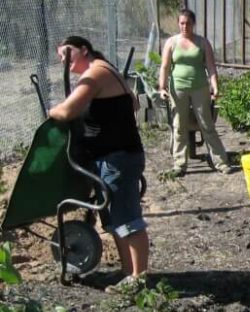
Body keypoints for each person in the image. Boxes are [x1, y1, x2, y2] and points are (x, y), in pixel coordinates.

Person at [49, 36, 150, 291]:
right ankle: (128, 272)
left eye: (67, 54)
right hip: (112, 156)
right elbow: (133, 103)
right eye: (60, 57)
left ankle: (140, 278)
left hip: (119, 157)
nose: (64, 60)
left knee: (127, 219)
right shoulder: (107, 69)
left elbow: (66, 112)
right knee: (114, 219)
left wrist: (51, 111)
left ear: (83, 50)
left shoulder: (96, 74)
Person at [158, 8, 233, 176]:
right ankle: (179, 164)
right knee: (179, 126)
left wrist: (215, 86)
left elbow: (211, 67)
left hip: (200, 88)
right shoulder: (171, 43)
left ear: (193, 24)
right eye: (182, 23)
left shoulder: (202, 42)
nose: (185, 27)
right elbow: (164, 67)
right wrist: (162, 88)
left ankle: (221, 162)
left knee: (207, 125)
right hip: (178, 89)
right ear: (178, 24)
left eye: (188, 23)